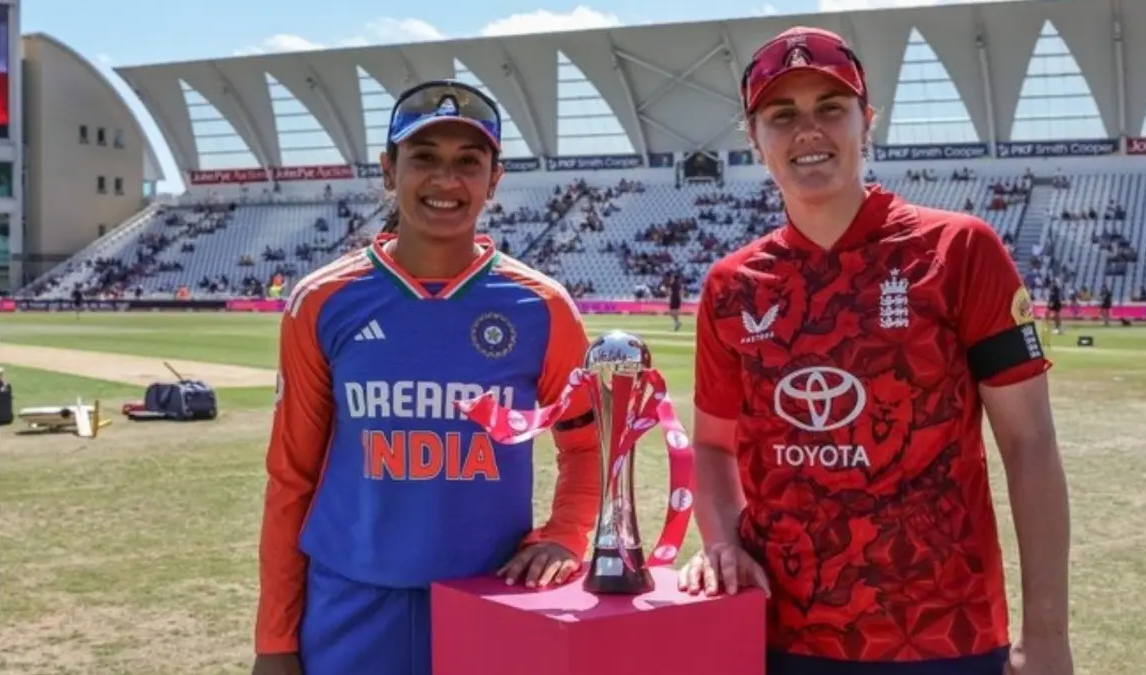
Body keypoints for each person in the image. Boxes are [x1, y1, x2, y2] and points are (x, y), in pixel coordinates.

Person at [676, 26, 1073, 675]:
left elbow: (1029, 444)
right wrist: (722, 543)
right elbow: (716, 445)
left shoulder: (959, 252)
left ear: (868, 120)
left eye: (830, 107)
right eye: (783, 115)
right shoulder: (731, 286)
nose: (808, 130)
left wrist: (1048, 636)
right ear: (754, 138)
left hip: (946, 633)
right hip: (777, 634)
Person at [251, 79, 600, 675]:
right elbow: (292, 479)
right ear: (390, 170)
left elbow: (588, 443)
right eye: (424, 159)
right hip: (349, 606)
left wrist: (566, 534)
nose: (446, 180)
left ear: (494, 181)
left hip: (489, 603)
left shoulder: (541, 305)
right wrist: (275, 640)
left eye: (469, 162)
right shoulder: (323, 300)